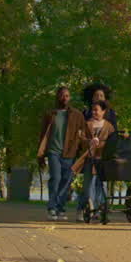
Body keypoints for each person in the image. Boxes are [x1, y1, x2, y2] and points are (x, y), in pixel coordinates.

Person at [37, 86, 88, 221]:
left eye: (66, 95)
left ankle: (60, 208)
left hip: (69, 152)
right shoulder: (50, 114)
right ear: (57, 97)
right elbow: (43, 134)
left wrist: (83, 153)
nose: (64, 98)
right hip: (53, 151)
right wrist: (40, 155)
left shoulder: (77, 115)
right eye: (61, 95)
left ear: (69, 98)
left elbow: (83, 134)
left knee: (66, 180)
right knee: (56, 178)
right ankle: (52, 208)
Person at [75, 99, 115, 218]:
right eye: (92, 110)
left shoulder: (109, 126)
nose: (93, 112)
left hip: (103, 160)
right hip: (90, 159)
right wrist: (90, 141)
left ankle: (99, 210)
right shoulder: (87, 124)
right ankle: (85, 209)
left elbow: (113, 142)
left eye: (96, 110)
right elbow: (81, 140)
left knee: (101, 186)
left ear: (103, 111)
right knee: (88, 185)